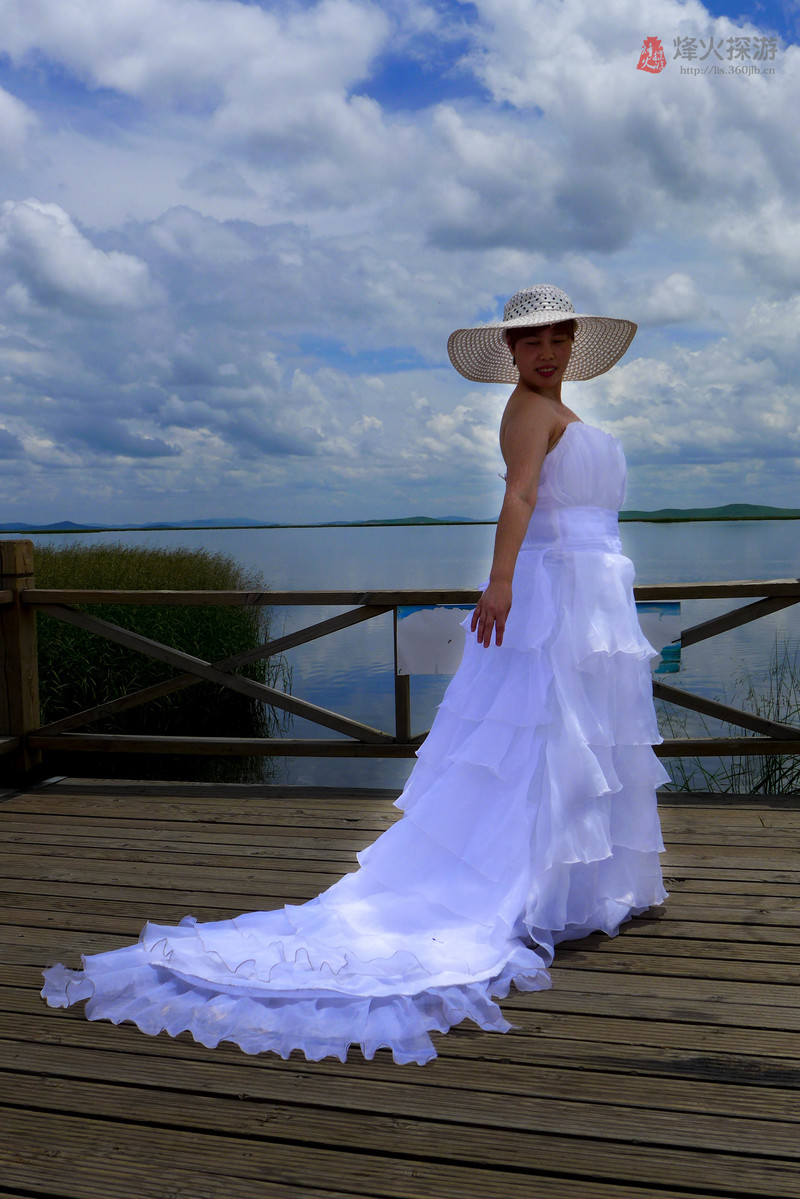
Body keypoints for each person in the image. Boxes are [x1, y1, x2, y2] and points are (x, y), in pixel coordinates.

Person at [42, 284, 669, 1065]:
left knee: (581, 741)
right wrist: (501, 581)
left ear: (573, 345)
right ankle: (526, 885)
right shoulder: (525, 413)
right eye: (531, 341)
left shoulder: (560, 411)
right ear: (510, 353)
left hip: (591, 596)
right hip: (551, 591)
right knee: (542, 738)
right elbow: (519, 495)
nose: (546, 353)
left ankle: (578, 887)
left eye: (557, 339)